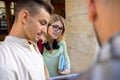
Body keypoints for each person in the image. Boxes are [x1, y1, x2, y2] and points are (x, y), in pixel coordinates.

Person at [0, 0, 53, 80]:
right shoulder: (3, 59)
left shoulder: (34, 48)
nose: (45, 31)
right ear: (25, 17)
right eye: (42, 23)